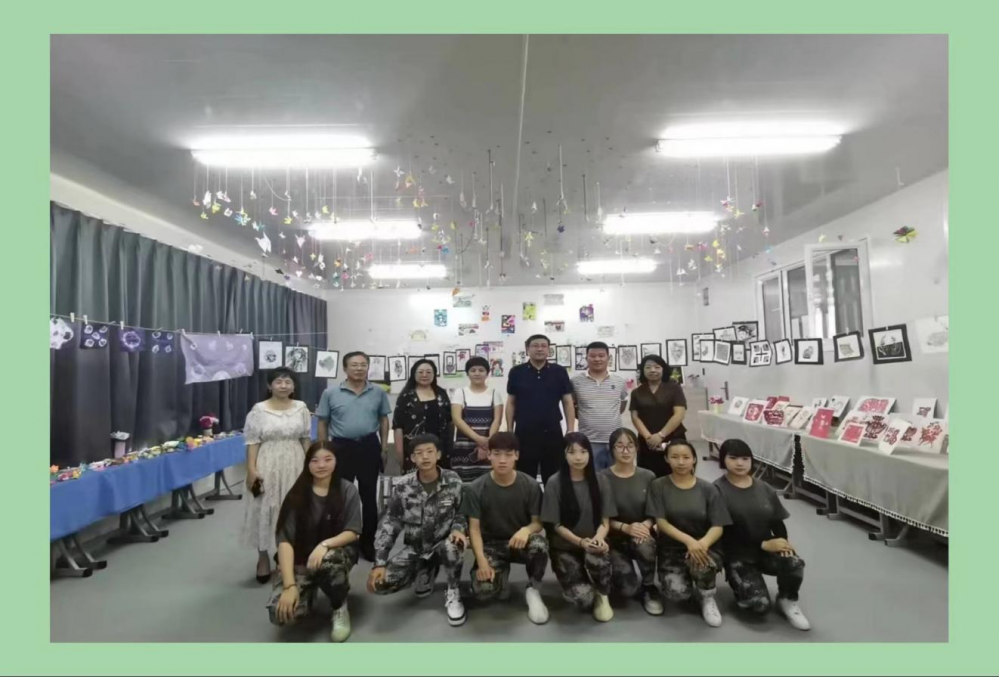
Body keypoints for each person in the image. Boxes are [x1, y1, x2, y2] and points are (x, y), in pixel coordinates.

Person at [366, 434, 469, 626]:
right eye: (419, 453)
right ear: (412, 458)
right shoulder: (403, 486)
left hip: (444, 544)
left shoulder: (453, 480)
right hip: (417, 548)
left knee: (453, 546)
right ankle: (426, 569)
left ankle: (453, 591)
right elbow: (390, 523)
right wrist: (379, 562)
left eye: (430, 451)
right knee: (380, 585)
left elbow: (461, 513)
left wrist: (458, 529)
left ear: (438, 454)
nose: (425, 457)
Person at [267, 442, 362, 643]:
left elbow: (353, 531)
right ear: (307, 464)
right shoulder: (297, 494)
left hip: (334, 554)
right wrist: (289, 585)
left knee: (329, 560)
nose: (321, 465)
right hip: (301, 561)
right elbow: (285, 541)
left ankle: (339, 605)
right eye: (315, 460)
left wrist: (325, 545)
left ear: (336, 462)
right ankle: (309, 591)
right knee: (280, 614)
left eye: (328, 459)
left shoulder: (347, 490)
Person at [714, 439, 810, 630]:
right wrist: (763, 544)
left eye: (745, 458)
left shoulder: (764, 488)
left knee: (794, 563)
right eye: (733, 458)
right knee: (759, 605)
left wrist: (783, 542)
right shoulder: (716, 490)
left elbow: (776, 521)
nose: (740, 463)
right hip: (737, 555)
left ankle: (787, 600)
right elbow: (723, 531)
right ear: (723, 459)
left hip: (766, 550)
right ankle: (742, 586)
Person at [462, 432, 550, 625]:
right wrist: (482, 561)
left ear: (517, 455)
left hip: (519, 542)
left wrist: (526, 530)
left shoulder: (530, 485)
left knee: (539, 544)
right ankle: (500, 576)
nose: (502, 460)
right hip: (491, 546)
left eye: (508, 455)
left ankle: (533, 589)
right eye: (497, 454)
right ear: (489, 455)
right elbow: (474, 529)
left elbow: (538, 523)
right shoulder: (475, 488)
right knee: (483, 592)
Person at [645, 439, 731, 628]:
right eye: (675, 457)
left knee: (702, 564)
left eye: (686, 457)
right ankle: (687, 579)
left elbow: (718, 525)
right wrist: (689, 542)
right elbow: (661, 523)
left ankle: (707, 596)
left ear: (694, 459)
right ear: (666, 459)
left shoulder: (708, 489)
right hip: (672, 548)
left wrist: (701, 545)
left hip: (704, 546)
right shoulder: (658, 485)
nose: (681, 462)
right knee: (677, 593)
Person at [316, 351, 391, 562]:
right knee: (339, 497)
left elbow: (384, 419)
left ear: (368, 367)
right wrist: (323, 449)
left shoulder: (377, 392)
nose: (359, 368)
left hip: (369, 446)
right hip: (341, 447)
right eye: (354, 365)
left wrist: (384, 448)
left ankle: (367, 542)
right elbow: (322, 422)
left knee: (369, 498)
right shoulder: (331, 393)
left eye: (363, 364)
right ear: (345, 368)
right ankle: (341, 541)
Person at [241, 367, 313, 583]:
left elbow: (305, 438)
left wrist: (310, 465)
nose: (283, 386)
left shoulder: (301, 408)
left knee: (294, 509)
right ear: (269, 386)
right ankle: (263, 557)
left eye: (288, 382)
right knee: (263, 507)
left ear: (294, 386)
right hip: (267, 462)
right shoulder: (259, 410)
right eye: (279, 382)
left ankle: (289, 558)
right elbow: (253, 442)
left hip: (295, 463)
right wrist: (251, 469)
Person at [541, 432, 615, 622]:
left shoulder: (601, 480)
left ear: (590, 453)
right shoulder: (554, 482)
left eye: (583, 451)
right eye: (572, 452)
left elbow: (605, 521)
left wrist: (599, 538)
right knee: (583, 598)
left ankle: (603, 594)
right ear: (564, 455)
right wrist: (580, 542)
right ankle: (582, 584)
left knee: (618, 580)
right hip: (565, 547)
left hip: (594, 542)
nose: (578, 457)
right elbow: (556, 525)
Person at [600, 427, 663, 616]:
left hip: (641, 533)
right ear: (612, 450)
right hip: (614, 538)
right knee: (627, 589)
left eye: (630, 445)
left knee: (646, 544)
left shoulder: (648, 476)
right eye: (619, 446)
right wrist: (625, 527)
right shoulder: (602, 478)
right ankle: (615, 576)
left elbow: (655, 512)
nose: (625, 451)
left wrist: (645, 525)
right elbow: (600, 518)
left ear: (637, 448)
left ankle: (649, 586)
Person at [506, 334, 576, 483]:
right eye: (535, 345)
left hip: (552, 432)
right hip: (524, 432)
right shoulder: (516, 372)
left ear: (548, 350)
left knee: (554, 477)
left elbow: (567, 402)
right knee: (524, 476)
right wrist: (510, 430)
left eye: (543, 346)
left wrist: (570, 430)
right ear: (527, 349)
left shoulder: (559, 371)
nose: (539, 349)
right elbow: (511, 402)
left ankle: (551, 499)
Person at [571, 342, 628, 471]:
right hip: (588, 440)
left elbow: (622, 405)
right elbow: (571, 407)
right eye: (592, 356)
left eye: (601, 355)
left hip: (615, 440)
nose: (597, 359)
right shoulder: (576, 381)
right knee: (593, 477)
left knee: (616, 476)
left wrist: (608, 415)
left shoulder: (619, 380)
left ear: (608, 357)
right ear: (586, 358)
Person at [629, 354, 688, 477]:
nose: (652, 370)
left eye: (657, 367)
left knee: (676, 472)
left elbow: (679, 414)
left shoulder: (674, 388)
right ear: (642, 370)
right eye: (648, 367)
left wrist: (660, 435)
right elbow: (635, 417)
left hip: (673, 437)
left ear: (663, 369)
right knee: (648, 474)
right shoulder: (637, 392)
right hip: (647, 441)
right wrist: (649, 438)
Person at [393, 359, 453, 474]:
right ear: (413, 374)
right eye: (420, 372)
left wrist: (450, 447)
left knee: (442, 480)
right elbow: (398, 426)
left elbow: (450, 422)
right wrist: (399, 453)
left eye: (429, 372)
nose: (424, 375)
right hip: (415, 451)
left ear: (434, 374)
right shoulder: (406, 396)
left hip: (440, 451)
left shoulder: (441, 393)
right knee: (415, 482)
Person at [450, 356, 504, 482]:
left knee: (488, 482)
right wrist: (478, 439)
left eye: (481, 370)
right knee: (465, 483)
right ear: (467, 373)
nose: (477, 373)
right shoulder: (460, 393)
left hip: (488, 445)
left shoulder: (495, 393)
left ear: (487, 373)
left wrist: (487, 443)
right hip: (465, 446)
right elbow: (457, 419)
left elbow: (497, 420)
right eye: (473, 370)